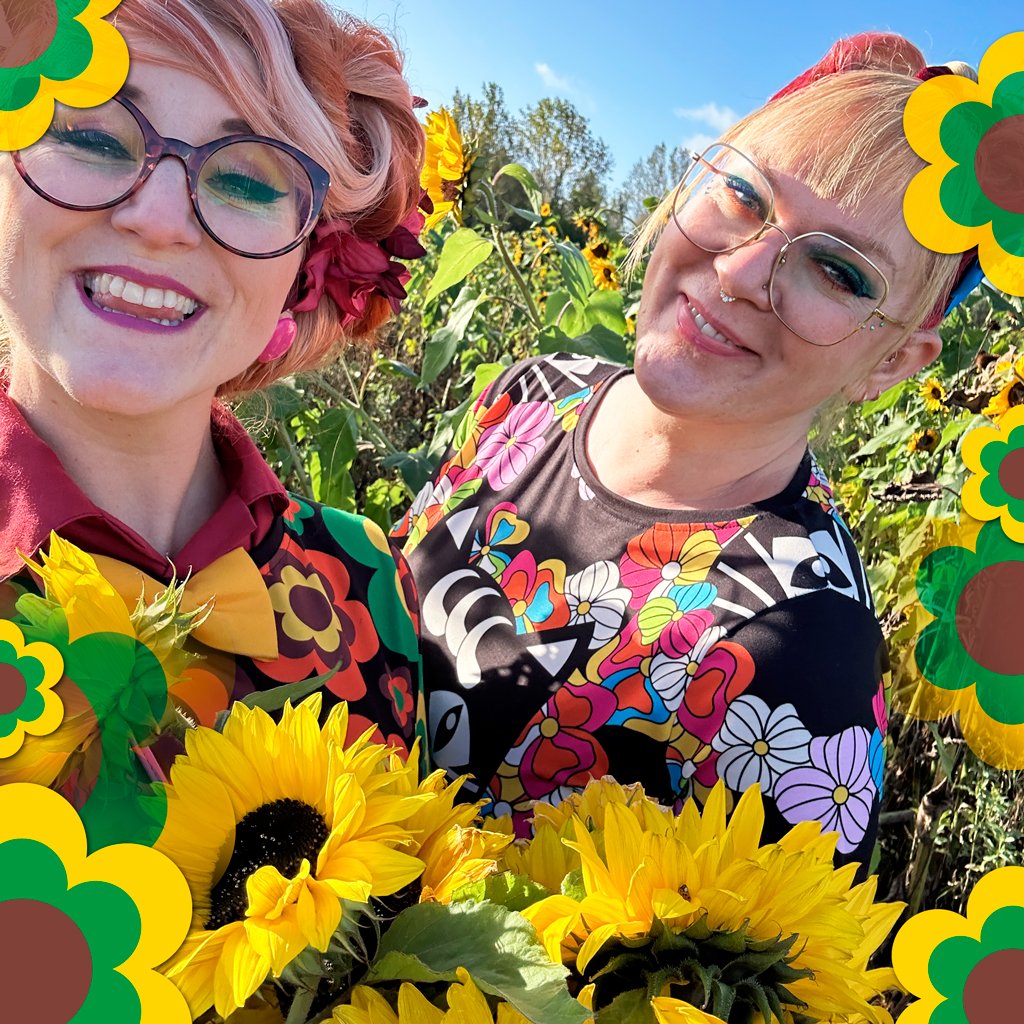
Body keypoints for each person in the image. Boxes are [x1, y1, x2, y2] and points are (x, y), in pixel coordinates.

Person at [393, 33, 980, 866]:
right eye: (745, 195)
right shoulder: (534, 392)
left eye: (839, 273)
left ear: (891, 360)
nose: (743, 272)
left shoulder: (797, 652)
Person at [0, 0, 425, 759]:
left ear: (303, 262)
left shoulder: (370, 586)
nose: (161, 218)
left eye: (249, 181)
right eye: (92, 135)